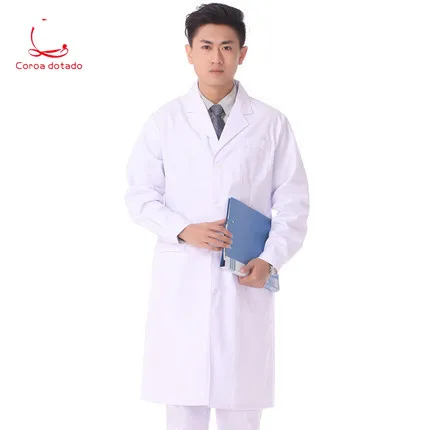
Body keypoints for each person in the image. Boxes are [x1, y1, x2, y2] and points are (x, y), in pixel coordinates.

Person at [124, 3, 310, 429]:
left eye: (227, 47)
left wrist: (270, 260)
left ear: (242, 53)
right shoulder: (165, 121)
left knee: (240, 408)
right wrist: (182, 230)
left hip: (244, 278)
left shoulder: (271, 123)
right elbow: (139, 194)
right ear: (188, 52)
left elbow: (294, 202)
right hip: (183, 279)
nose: (216, 57)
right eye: (206, 46)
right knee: (183, 405)